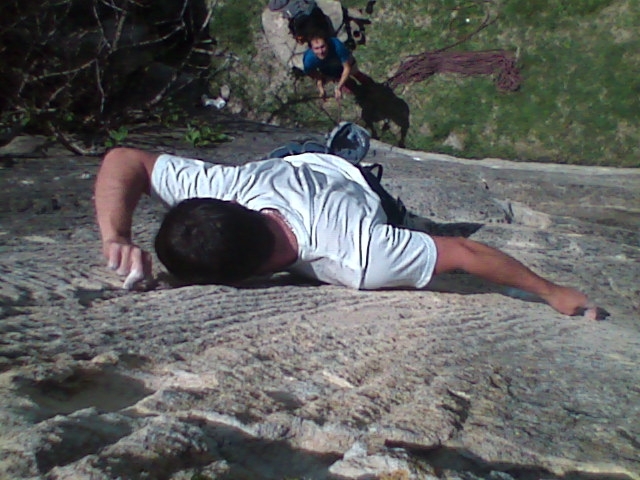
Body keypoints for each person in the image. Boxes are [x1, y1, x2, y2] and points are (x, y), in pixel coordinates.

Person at [95, 147, 600, 319]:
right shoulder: (228, 187)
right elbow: (123, 160)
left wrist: (552, 292)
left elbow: (464, 253)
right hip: (298, 165)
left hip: (362, 192)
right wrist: (115, 236)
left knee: (407, 226)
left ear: (247, 277)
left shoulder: (359, 257)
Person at [302, 33, 371, 101]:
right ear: (311, 49)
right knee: (348, 85)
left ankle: (367, 83)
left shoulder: (337, 46)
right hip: (328, 69)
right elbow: (311, 73)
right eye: (316, 48)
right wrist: (320, 84)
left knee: (355, 72)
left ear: (327, 44)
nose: (321, 51)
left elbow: (347, 67)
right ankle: (354, 89)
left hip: (343, 62)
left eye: (322, 47)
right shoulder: (308, 60)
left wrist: (339, 87)